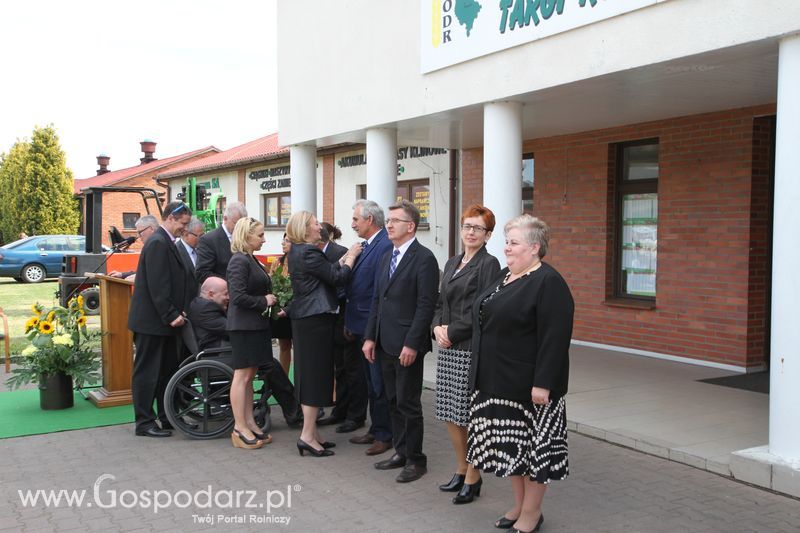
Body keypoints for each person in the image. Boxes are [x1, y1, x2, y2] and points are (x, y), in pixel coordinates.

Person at [466, 215, 574, 533]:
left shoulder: (548, 282)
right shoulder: (506, 275)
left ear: (534, 247)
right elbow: (483, 317)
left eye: (513, 242)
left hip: (530, 388)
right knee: (512, 451)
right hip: (496, 381)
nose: (506, 247)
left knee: (535, 456)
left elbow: (555, 339)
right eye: (507, 241)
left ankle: (531, 513)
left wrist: (543, 383)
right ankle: (518, 505)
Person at [363, 200, 439, 483]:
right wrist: (370, 336)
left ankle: (416, 460)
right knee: (392, 400)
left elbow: (425, 305)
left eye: (395, 220)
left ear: (411, 226)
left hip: (407, 345)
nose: (388, 224)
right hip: (384, 341)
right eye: (388, 220)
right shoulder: (387, 255)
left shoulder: (425, 259)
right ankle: (401, 451)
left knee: (408, 403)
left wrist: (412, 343)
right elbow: (377, 301)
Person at [433, 205, 501, 504]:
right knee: (451, 412)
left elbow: (485, 308)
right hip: (447, 347)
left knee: (469, 414)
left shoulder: (489, 264)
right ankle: (461, 469)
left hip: (469, 348)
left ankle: (474, 475)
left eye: (478, 228)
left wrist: (452, 332)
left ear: (487, 235)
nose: (471, 232)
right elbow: (439, 302)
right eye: (467, 226)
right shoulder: (452, 262)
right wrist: (436, 328)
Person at [286, 211, 362, 457]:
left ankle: (312, 433)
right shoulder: (308, 251)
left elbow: (324, 271)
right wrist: (350, 257)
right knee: (316, 376)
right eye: (315, 223)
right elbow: (336, 278)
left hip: (308, 320)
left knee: (312, 374)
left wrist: (340, 261)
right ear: (305, 229)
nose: (320, 226)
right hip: (315, 320)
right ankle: (307, 436)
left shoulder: (298, 251)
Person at [188, 276, 302, 428]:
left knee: (268, 361)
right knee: (269, 364)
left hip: (219, 351)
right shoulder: (206, 309)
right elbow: (231, 329)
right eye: (225, 294)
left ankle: (293, 411)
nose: (229, 298)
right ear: (210, 294)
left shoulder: (201, 304)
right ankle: (294, 412)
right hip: (219, 355)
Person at [128, 201, 193, 438]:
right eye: (183, 224)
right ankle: (144, 422)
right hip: (152, 323)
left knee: (166, 372)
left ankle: (167, 417)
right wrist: (171, 314)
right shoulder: (158, 242)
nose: (185, 229)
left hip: (163, 323)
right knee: (147, 373)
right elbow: (158, 285)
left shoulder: (167, 242)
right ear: (170, 218)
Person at [345, 200, 393, 456]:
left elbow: (377, 291)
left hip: (371, 328)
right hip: (360, 323)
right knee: (370, 381)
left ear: (369, 220)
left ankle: (385, 434)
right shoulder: (368, 244)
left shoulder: (384, 244)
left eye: (356, 219)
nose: (352, 224)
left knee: (378, 384)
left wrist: (370, 331)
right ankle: (376, 429)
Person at [226, 216, 277, 450]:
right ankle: (239, 427)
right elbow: (237, 297)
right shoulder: (239, 261)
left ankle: (248, 422)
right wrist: (263, 300)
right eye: (260, 235)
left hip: (255, 326)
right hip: (244, 327)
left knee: (249, 377)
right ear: (246, 236)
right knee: (242, 376)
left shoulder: (250, 259)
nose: (264, 239)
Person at [196, 202, 247, 284]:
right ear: (225, 219)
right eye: (236, 223)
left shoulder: (244, 237)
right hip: (223, 293)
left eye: (242, 225)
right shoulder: (208, 240)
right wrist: (232, 283)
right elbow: (202, 273)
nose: (239, 228)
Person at [269, 233, 293, 375]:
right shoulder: (277, 262)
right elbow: (272, 281)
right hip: (281, 308)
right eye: (283, 240)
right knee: (284, 345)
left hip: (295, 308)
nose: (283, 243)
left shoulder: (300, 262)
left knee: (300, 347)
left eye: (287, 241)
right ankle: (284, 379)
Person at [109, 215, 159, 281]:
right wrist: (122, 275)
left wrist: (139, 277)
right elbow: (144, 271)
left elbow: (157, 272)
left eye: (140, 232)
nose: (138, 236)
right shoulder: (151, 245)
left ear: (151, 229)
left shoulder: (158, 245)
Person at [176, 216, 205, 307]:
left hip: (199, 306)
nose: (201, 239)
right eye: (198, 236)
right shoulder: (176, 252)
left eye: (203, 235)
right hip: (184, 307)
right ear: (185, 234)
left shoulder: (201, 250)